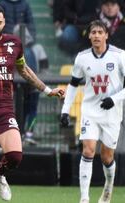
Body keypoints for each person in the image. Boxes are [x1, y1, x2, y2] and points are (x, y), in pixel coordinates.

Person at [0, 5, 64, 203]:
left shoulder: (15, 43)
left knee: (15, 156)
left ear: (4, 22)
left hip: (4, 113)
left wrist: (48, 90)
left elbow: (24, 70)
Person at [60, 20, 125, 203]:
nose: (96, 35)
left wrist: (114, 99)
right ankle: (84, 198)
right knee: (88, 151)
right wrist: (66, 110)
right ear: (89, 36)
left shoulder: (119, 56)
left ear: (106, 35)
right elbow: (73, 84)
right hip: (90, 111)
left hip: (112, 113)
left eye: (99, 32)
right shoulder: (82, 57)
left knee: (106, 156)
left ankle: (108, 186)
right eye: (93, 32)